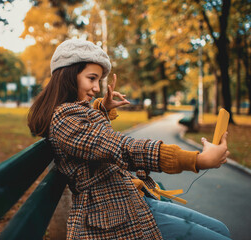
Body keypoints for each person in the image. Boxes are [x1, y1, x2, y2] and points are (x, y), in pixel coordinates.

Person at [28, 39, 231, 240]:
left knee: (221, 229)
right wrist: (197, 160)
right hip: (113, 215)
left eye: (98, 80)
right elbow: (121, 147)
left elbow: (92, 137)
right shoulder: (65, 119)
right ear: (68, 76)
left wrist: (102, 108)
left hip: (130, 200)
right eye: (92, 78)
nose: (97, 88)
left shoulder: (71, 115)